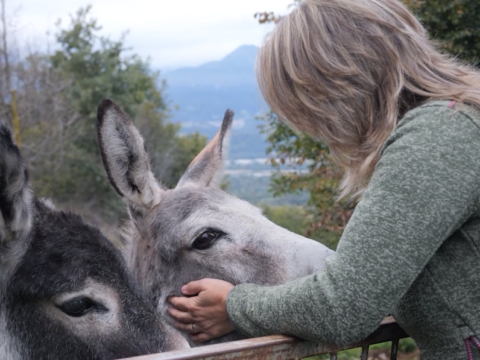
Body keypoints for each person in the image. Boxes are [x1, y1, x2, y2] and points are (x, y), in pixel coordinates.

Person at [168, 0, 480, 358]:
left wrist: (234, 305)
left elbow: (343, 306)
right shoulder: (452, 126)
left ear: (337, 83)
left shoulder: (436, 140)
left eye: (303, 105)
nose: (315, 128)